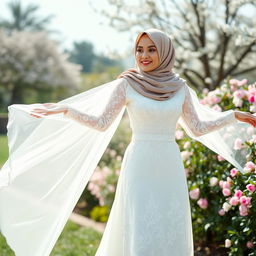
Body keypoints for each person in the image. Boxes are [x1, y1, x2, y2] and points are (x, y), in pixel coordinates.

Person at [1, 28, 256, 256]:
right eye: (139, 50)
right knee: (139, 223)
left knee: (169, 223)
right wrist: (66, 110)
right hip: (140, 163)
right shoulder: (127, 84)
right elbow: (101, 123)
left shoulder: (181, 88)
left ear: (165, 52)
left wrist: (233, 115)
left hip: (169, 164)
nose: (144, 55)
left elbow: (198, 128)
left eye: (151, 49)